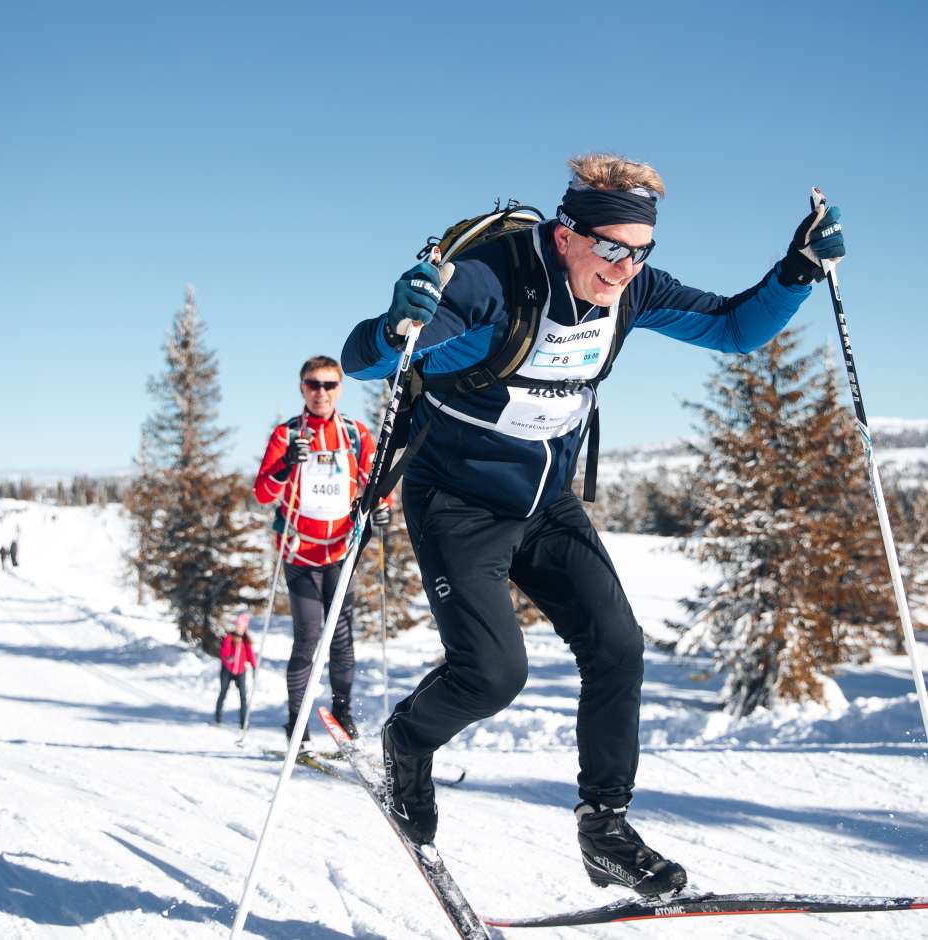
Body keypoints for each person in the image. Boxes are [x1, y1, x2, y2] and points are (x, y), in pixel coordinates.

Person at [340, 153, 845, 895]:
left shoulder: (632, 292)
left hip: (547, 504)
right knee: (493, 674)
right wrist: (396, 322)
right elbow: (367, 359)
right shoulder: (492, 282)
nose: (624, 268)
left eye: (640, 253)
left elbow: (734, 328)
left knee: (617, 646)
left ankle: (604, 829)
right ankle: (408, 743)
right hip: (458, 502)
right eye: (611, 248)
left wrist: (797, 271)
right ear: (566, 233)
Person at [254, 354, 391, 746]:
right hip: (300, 553)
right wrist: (285, 466)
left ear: (340, 389)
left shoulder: (354, 434)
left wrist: (382, 510)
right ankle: (296, 720)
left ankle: (343, 713)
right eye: (313, 384)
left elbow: (377, 485)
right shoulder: (287, 435)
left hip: (340, 551)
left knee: (342, 636)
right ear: (302, 388)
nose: (321, 393)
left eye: (329, 385)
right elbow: (263, 492)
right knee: (308, 637)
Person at [216, 613, 257, 727]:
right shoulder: (229, 637)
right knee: (223, 692)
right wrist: (228, 657)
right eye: (238, 625)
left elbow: (250, 654)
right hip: (227, 670)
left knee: (243, 696)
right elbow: (224, 651)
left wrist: (254, 666)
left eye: (242, 626)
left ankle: (243, 722)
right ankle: (218, 717)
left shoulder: (245, 640)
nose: (239, 628)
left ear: (245, 627)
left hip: (240, 671)